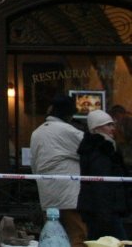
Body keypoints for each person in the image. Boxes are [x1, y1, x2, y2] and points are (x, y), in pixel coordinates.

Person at [29, 94, 86, 244]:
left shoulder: (36, 133)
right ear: (68, 114)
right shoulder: (69, 132)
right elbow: (91, 153)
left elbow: (33, 166)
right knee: (76, 236)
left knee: (53, 239)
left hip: (47, 196)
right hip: (70, 198)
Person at [77, 109, 130, 240]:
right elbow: (101, 184)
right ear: (97, 128)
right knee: (120, 242)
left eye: (113, 124)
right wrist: (105, 215)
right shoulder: (100, 149)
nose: (113, 128)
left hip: (101, 210)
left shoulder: (101, 147)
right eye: (108, 125)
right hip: (104, 211)